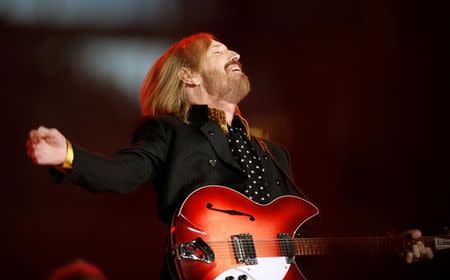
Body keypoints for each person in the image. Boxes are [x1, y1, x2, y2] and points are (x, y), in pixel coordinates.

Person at [26, 33, 433, 279]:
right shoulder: (173, 134)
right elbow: (123, 173)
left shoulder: (275, 154)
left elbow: (306, 248)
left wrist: (388, 245)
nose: (234, 53)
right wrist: (69, 156)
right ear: (190, 76)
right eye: (218, 51)